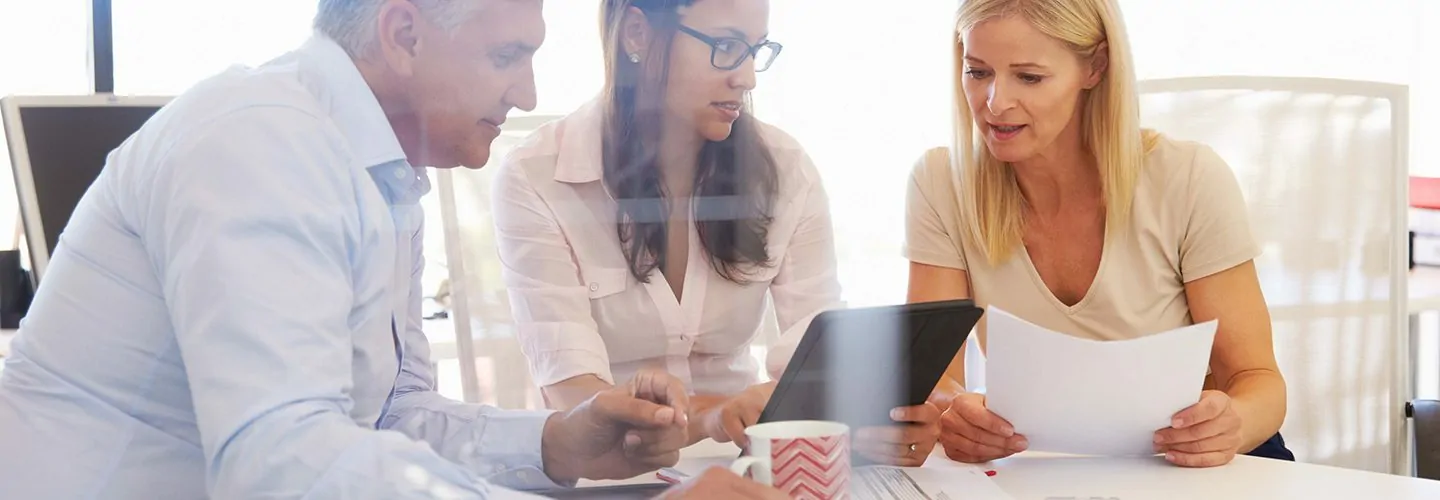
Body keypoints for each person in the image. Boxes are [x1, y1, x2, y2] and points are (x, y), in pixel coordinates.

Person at [0, 0, 782, 498]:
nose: (530, 94)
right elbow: (279, 460)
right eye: (508, 55)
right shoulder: (262, 138)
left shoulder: (383, 174)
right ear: (404, 33)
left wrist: (552, 442)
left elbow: (388, 418)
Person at [491, 0, 941, 466]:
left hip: (746, 466)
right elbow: (576, 402)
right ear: (637, 34)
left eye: (755, 50)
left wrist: (880, 418)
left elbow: (818, 355)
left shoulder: (785, 170)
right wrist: (711, 416)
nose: (746, 78)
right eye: (725, 47)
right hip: (611, 479)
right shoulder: (538, 177)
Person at [906, 0, 1292, 468]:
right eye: (978, 71)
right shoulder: (942, 183)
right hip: (1038, 468)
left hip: (1190, 466)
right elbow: (933, 377)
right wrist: (955, 413)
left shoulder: (1188, 177)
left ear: (1095, 66)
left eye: (1028, 77)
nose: (995, 102)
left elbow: (1258, 379)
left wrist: (1232, 423)